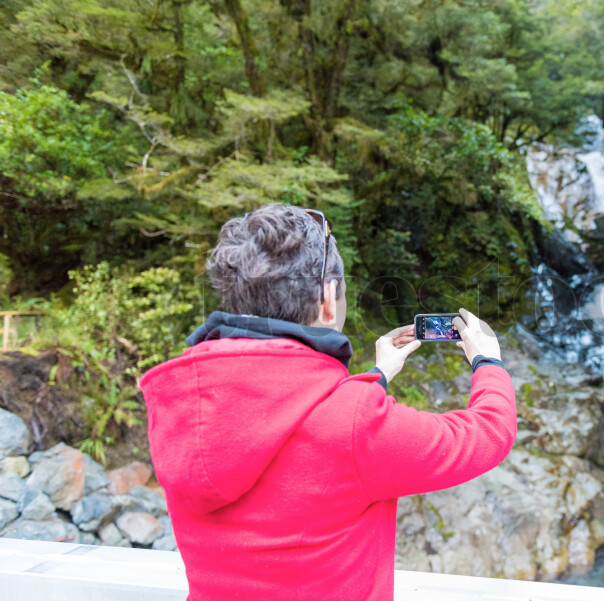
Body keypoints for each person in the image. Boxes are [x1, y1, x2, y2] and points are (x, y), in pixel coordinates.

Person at [138, 203, 517, 601]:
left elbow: (286, 412)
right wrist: (487, 361)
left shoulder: (180, 401)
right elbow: (485, 435)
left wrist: (378, 376)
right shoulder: (352, 426)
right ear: (328, 300)